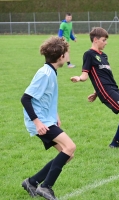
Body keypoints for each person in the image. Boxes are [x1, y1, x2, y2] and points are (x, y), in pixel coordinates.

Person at [21, 36, 76, 200]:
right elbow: (25, 99)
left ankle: (32, 182)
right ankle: (45, 187)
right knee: (70, 147)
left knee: (67, 155)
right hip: (40, 122)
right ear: (61, 56)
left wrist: (55, 115)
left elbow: (46, 97)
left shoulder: (51, 71)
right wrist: (37, 123)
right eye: (67, 53)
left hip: (47, 119)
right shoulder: (45, 74)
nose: (69, 56)